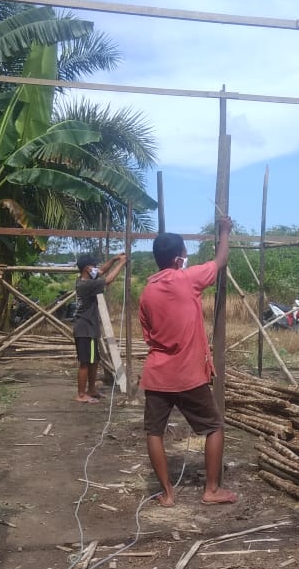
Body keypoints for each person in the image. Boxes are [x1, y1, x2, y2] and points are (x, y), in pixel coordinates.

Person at [139, 217, 238, 507]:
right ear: (178, 258)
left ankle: (168, 493)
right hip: (188, 375)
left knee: (154, 432)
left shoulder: (146, 293)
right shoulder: (189, 278)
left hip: (157, 374)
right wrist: (224, 231)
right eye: (184, 253)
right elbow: (220, 259)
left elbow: (148, 335)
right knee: (214, 426)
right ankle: (211, 490)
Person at [73, 252, 127, 403]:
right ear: (87, 268)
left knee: (94, 360)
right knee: (85, 362)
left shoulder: (86, 278)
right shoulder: (87, 284)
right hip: (85, 329)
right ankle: (81, 394)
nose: (97, 269)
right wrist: (121, 264)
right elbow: (107, 280)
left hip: (89, 328)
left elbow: (102, 271)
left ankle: (91, 389)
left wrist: (114, 259)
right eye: (94, 266)